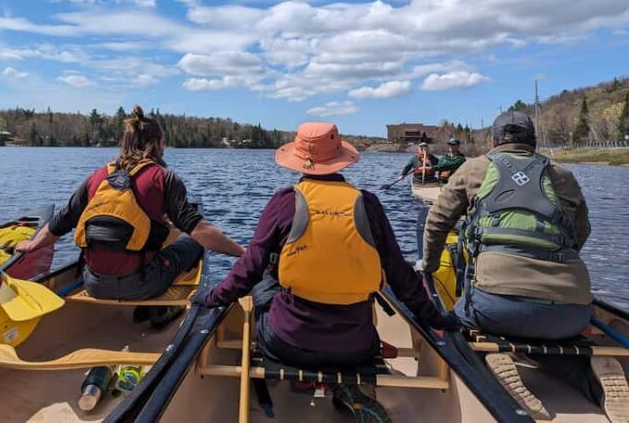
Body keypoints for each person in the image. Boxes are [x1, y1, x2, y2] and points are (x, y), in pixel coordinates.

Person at [197, 122, 456, 416]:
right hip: (356, 347)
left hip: (287, 342)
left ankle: (306, 378)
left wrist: (211, 297)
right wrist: (437, 318)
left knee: (266, 275)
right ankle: (350, 384)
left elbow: (248, 270)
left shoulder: (284, 202)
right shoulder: (368, 204)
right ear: (339, 159)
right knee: (365, 288)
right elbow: (401, 277)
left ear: (298, 162)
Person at [419, 111, 628, 421]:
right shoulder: (563, 175)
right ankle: (590, 374)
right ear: (533, 142)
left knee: (456, 322)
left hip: (496, 307)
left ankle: (494, 365)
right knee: (550, 332)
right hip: (572, 311)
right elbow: (581, 232)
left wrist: (429, 267)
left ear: (493, 141)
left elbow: (437, 223)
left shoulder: (473, 167)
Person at [16, 106, 244, 324]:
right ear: (156, 143)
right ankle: (159, 307)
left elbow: (61, 221)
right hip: (143, 284)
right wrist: (245, 253)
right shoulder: (163, 178)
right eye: (162, 143)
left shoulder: (97, 177)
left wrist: (32, 244)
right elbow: (201, 231)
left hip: (93, 283)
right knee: (192, 242)